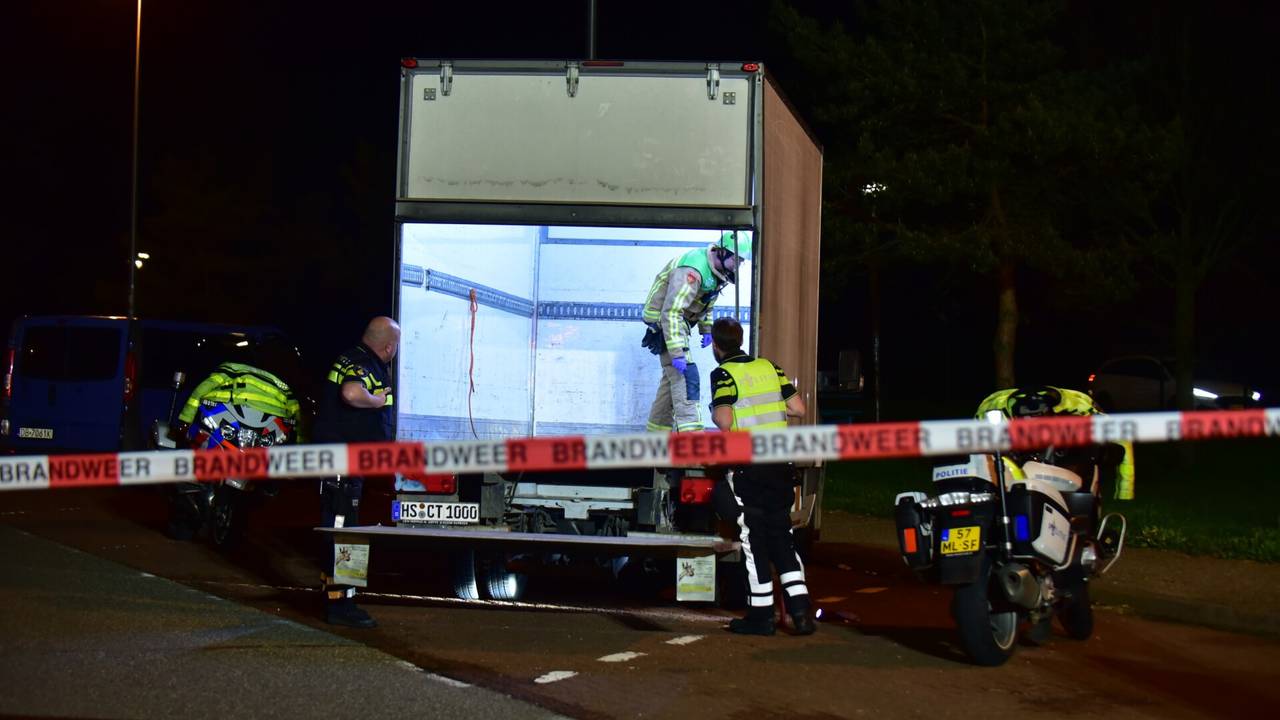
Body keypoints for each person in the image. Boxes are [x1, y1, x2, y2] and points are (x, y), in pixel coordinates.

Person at [706, 317, 813, 636]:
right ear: (741, 340)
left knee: (753, 542)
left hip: (749, 468)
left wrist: (717, 411)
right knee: (782, 538)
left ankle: (761, 616)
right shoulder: (770, 367)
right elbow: (798, 408)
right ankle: (802, 613)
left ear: (716, 346)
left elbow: (724, 421)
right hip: (780, 465)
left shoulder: (724, 374)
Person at [313, 316, 401, 629]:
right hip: (343, 468)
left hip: (343, 466)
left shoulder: (353, 357)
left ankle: (339, 600)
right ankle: (341, 607)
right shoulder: (363, 364)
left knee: (342, 532)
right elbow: (351, 393)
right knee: (345, 534)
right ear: (388, 347)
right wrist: (377, 401)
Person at [165, 357, 303, 541]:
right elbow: (297, 415)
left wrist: (184, 419)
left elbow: (200, 390)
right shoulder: (281, 387)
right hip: (230, 428)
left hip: (249, 437)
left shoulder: (230, 371)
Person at [641, 231, 751, 433]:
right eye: (737, 260)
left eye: (741, 261)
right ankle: (692, 436)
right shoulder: (692, 271)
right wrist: (677, 353)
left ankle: (656, 436)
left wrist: (706, 329)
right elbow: (671, 312)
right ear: (722, 252)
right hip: (665, 321)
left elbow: (706, 302)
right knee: (686, 377)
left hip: (680, 320)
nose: (739, 265)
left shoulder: (717, 272)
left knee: (670, 383)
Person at [975, 385, 1134, 500]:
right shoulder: (991, 411)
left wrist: (1125, 493)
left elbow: (1122, 439)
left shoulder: (1080, 407)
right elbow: (976, 454)